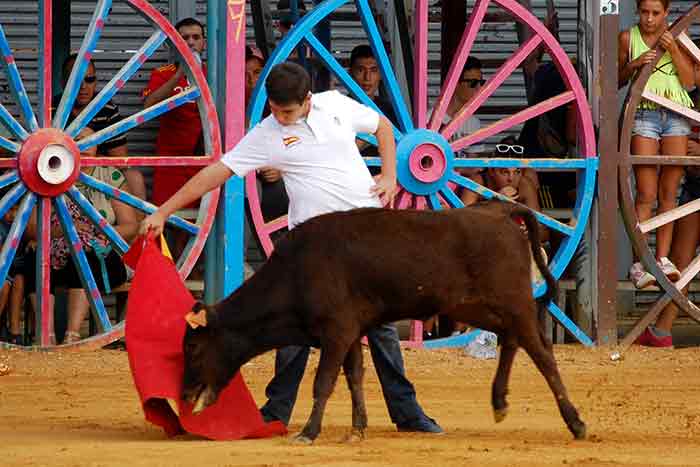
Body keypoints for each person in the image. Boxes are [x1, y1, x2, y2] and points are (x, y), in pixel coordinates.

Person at [141, 61, 442, 433]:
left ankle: (407, 413)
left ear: (308, 101)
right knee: (294, 325)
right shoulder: (265, 134)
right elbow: (215, 173)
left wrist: (390, 174)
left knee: (379, 327)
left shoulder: (335, 105)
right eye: (274, 109)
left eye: (287, 111)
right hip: (312, 248)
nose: (279, 117)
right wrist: (165, 211)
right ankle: (277, 411)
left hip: (364, 239)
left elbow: (381, 126)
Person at [24, 128, 139, 344]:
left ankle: (72, 335)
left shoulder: (109, 175)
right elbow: (31, 228)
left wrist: (92, 233)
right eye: (77, 140)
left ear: (97, 146)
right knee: (34, 260)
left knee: (83, 257)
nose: (84, 146)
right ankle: (45, 336)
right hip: (58, 250)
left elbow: (130, 226)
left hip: (102, 253)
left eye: (89, 141)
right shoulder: (49, 172)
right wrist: (67, 230)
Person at [618, 0, 694, 290]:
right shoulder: (628, 37)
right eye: (644, 12)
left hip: (676, 115)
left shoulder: (679, 38)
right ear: (637, 11)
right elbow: (615, 80)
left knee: (668, 193)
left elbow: (688, 83)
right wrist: (633, 65)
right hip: (644, 114)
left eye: (655, 13)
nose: (649, 19)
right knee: (645, 193)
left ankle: (662, 258)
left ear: (667, 13)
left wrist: (673, 48)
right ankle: (641, 264)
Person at [143, 17, 207, 257]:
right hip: (171, 160)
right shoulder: (163, 74)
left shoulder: (215, 73)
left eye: (195, 37)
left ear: (204, 43)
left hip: (204, 159)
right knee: (166, 220)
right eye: (184, 38)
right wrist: (181, 71)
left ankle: (189, 272)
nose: (190, 43)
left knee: (198, 224)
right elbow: (148, 106)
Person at [55, 54, 146, 201]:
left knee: (134, 177)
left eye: (89, 79)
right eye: (76, 81)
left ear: (95, 81)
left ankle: (139, 223)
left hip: (100, 172)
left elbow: (120, 160)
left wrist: (88, 159)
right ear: (64, 82)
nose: (83, 86)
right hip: (59, 172)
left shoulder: (107, 109)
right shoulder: (52, 109)